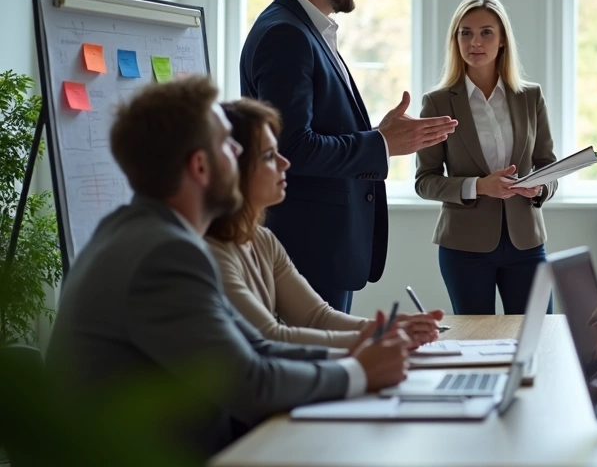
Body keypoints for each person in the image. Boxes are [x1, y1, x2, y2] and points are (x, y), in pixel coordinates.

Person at [44, 77, 412, 458]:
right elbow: (250, 384)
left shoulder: (144, 231)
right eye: (227, 144)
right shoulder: (165, 254)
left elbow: (258, 349)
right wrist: (359, 371)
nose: (238, 153)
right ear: (200, 166)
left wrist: (367, 354)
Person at [240, 0, 458, 313]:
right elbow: (291, 147)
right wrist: (379, 143)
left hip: (321, 250)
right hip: (307, 253)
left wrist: (380, 134)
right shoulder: (286, 35)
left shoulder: (305, 30)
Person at [206, 98, 445, 348]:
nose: (284, 163)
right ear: (232, 166)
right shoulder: (211, 251)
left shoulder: (263, 240)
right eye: (268, 156)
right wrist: (378, 339)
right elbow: (271, 337)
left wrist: (390, 328)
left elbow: (316, 317)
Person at [415, 0, 556, 315]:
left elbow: (549, 166)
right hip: (464, 248)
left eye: (486, 32)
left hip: (527, 243)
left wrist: (540, 188)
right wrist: (479, 186)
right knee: (476, 343)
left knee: (539, 336)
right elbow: (425, 181)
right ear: (456, 39)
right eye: (465, 32)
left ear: (503, 39)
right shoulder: (437, 102)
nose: (474, 42)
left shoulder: (530, 97)